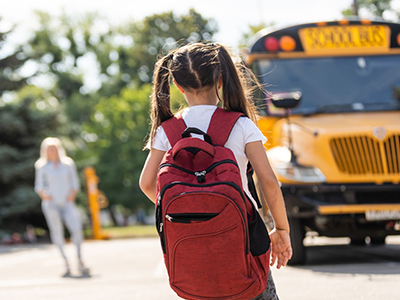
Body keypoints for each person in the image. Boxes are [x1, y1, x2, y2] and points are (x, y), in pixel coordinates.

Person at [139, 42, 292, 300]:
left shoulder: (167, 130)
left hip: (191, 241)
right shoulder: (241, 125)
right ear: (220, 79)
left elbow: (146, 184)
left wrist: (191, 205)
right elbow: (268, 181)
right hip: (244, 236)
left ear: (177, 85)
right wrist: (282, 230)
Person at [34, 137, 89, 276]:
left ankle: (79, 260)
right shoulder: (41, 166)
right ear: (45, 151)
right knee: (57, 232)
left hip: (67, 203)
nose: (52, 151)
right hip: (51, 204)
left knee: (76, 229)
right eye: (49, 149)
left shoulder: (68, 164)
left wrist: (72, 194)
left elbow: (75, 183)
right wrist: (44, 194)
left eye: (54, 148)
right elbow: (39, 185)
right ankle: (66, 262)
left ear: (58, 149)